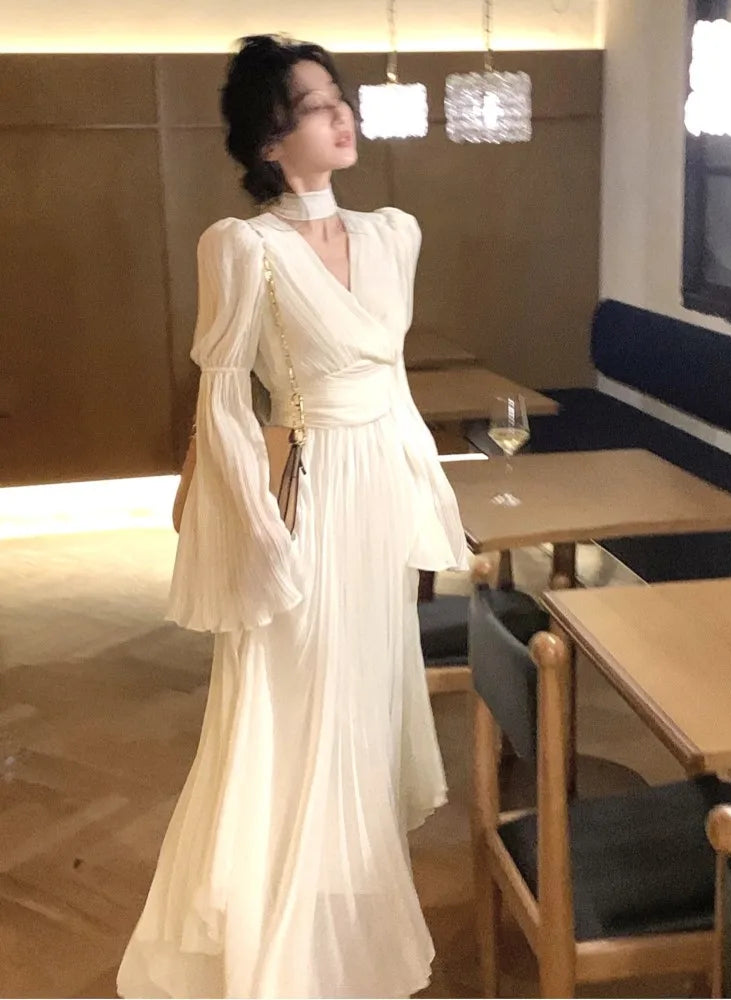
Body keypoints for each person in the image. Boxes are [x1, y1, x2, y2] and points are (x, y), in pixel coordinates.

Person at [117, 34, 470, 999]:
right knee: (290, 701)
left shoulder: (394, 234)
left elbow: (394, 387)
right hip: (303, 496)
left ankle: (346, 920)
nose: (342, 114)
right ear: (271, 139)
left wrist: (424, 497)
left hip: (376, 499)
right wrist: (255, 528)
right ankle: (279, 950)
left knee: (360, 704)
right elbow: (225, 398)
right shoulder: (243, 248)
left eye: (339, 97)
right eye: (317, 105)